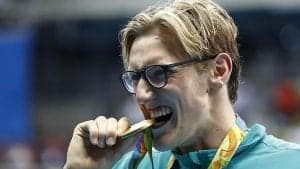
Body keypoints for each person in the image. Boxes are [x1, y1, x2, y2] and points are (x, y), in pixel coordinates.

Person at [63, 0, 300, 168]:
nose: (142, 95)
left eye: (159, 72)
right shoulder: (134, 166)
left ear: (218, 71)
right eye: (135, 78)